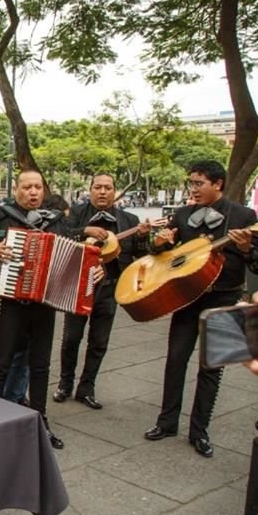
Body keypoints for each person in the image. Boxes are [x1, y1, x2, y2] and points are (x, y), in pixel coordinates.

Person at [0, 169, 89, 450]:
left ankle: (40, 421)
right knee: (1, 363)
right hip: (8, 301)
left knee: (40, 365)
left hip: (44, 303)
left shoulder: (54, 220)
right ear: (16, 189)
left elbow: (75, 249)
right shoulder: (1, 214)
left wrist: (93, 265)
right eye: (27, 187)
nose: (33, 192)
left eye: (38, 187)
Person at [143, 160, 258, 458]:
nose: (193, 189)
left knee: (212, 367)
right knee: (175, 360)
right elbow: (160, 254)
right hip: (186, 298)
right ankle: (167, 422)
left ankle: (200, 431)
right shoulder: (182, 215)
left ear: (218, 184)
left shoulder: (244, 216)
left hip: (224, 299)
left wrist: (247, 247)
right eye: (191, 183)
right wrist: (159, 243)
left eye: (199, 183)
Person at [53, 173, 152, 409]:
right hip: (77, 285)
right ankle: (65, 384)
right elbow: (59, 237)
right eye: (98, 187)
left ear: (115, 191)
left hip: (110, 287)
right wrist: (84, 231)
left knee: (99, 340)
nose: (103, 192)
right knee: (71, 338)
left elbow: (141, 254)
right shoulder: (75, 215)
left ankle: (86, 388)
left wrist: (143, 237)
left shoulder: (129, 219)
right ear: (90, 189)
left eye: (108, 187)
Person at [4, 192, 72, 405]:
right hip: (17, 303)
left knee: (28, 358)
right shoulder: (19, 224)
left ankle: (18, 396)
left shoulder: (55, 229)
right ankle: (12, 396)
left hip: (41, 306)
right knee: (17, 356)